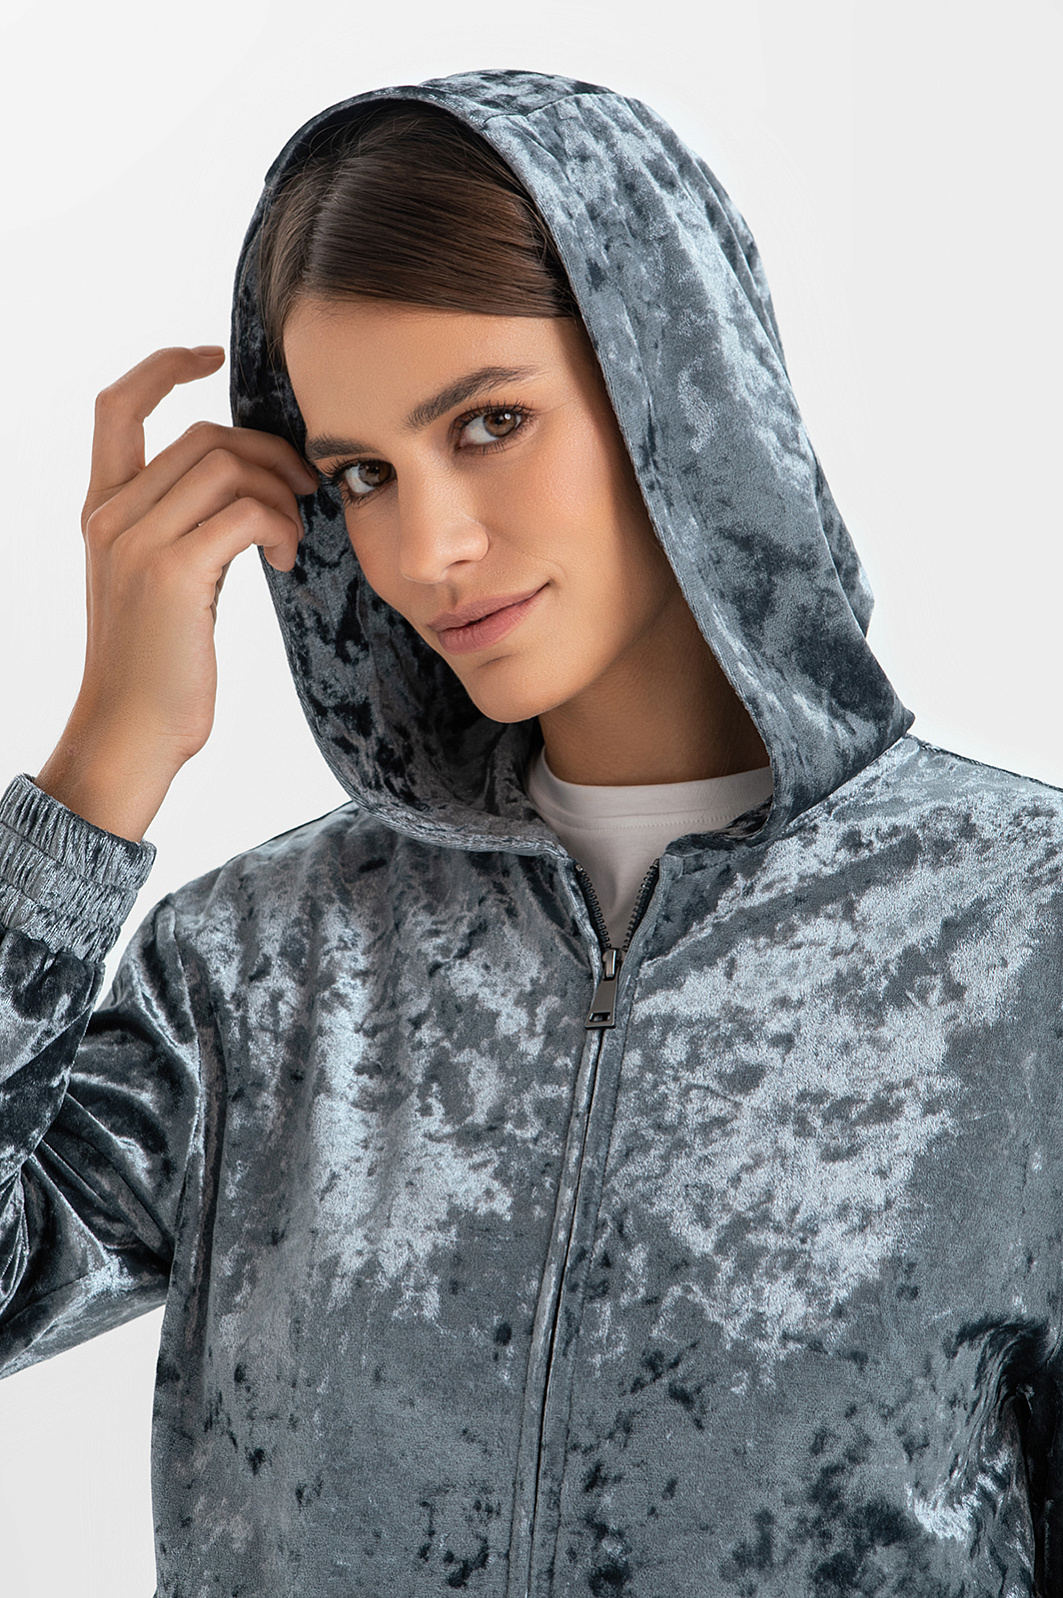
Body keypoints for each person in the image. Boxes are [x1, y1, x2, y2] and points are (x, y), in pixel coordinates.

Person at [0, 64, 1060, 1597]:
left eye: (490, 421)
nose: (427, 544)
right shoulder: (262, 971)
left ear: (675, 389)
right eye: (364, 473)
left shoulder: (1023, 933)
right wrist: (103, 764)